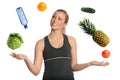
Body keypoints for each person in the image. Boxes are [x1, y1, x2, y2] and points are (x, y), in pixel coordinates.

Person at [10, 9, 109, 80]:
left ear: (65, 24)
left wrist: (90, 63)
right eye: (53, 17)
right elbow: (36, 71)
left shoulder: (71, 40)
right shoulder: (40, 43)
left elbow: (73, 66)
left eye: (59, 19)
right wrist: (26, 58)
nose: (55, 20)